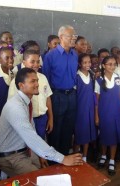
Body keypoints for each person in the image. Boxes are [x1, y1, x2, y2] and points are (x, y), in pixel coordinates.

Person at [0, 68, 83, 177]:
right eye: (32, 81)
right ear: (21, 85)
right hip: (10, 157)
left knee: (47, 169)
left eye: (37, 80)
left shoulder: (26, 102)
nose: (37, 84)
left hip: (24, 151)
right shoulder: (16, 107)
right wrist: (63, 158)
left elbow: (32, 134)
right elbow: (31, 137)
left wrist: (41, 154)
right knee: (40, 178)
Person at [43, 25, 78, 155]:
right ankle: (54, 159)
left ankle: (64, 157)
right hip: (57, 96)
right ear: (61, 37)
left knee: (68, 128)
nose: (73, 39)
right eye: (71, 36)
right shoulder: (50, 55)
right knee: (55, 128)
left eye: (74, 36)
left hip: (72, 95)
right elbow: (46, 80)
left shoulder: (75, 54)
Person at [8, 49, 53, 140]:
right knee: (28, 145)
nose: (36, 64)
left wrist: (50, 117)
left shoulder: (43, 77)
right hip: (27, 120)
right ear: (24, 62)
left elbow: (47, 97)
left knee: (41, 144)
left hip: (42, 118)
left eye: (38, 61)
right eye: (32, 61)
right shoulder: (17, 81)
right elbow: (12, 105)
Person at [95, 56, 120, 176]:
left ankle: (112, 159)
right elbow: (96, 101)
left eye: (114, 64)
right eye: (109, 64)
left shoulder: (118, 78)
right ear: (104, 66)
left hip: (117, 112)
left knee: (113, 135)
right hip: (104, 112)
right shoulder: (99, 80)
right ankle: (103, 155)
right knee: (104, 134)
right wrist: (97, 116)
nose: (112, 66)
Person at [74, 53, 96, 162]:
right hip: (80, 110)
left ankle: (85, 156)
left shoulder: (91, 76)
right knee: (79, 133)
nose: (88, 64)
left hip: (90, 108)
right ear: (79, 64)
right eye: (85, 62)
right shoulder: (77, 77)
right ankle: (76, 155)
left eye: (89, 62)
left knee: (88, 133)